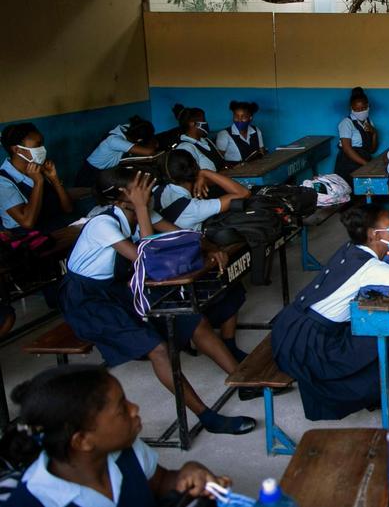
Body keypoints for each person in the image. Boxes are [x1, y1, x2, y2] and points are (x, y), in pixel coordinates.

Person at [59, 168, 255, 435]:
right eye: (141, 189)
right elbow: (147, 258)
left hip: (121, 289)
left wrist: (212, 247)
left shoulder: (140, 211)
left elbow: (180, 235)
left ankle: (245, 381)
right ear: (120, 197)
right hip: (89, 301)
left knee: (194, 319)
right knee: (158, 349)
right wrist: (141, 208)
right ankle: (207, 417)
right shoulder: (102, 224)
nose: (149, 192)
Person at [271, 204, 389, 421]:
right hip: (313, 348)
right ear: (374, 235)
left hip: (289, 329)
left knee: (386, 330)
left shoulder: (352, 249)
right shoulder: (372, 268)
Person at [0, 365, 229, 507]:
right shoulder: (37, 501)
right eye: (122, 408)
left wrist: (190, 472)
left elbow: (159, 482)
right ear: (82, 440)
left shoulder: (125, 450)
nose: (134, 408)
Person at [155, 149, 252, 362]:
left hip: (159, 262)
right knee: (230, 276)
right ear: (193, 171)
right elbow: (243, 194)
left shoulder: (158, 191)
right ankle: (227, 344)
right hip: (178, 268)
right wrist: (206, 173)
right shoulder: (192, 208)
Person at [0, 123, 74, 232]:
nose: (42, 149)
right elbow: (27, 223)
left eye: (42, 144)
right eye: (37, 146)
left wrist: (54, 179)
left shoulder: (39, 167)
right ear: (17, 150)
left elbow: (68, 209)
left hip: (53, 225)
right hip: (27, 237)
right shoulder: (3, 182)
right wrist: (38, 182)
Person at [75, 116, 156, 187]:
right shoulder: (115, 141)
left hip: (103, 170)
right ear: (139, 140)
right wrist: (153, 142)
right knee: (84, 193)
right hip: (92, 172)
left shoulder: (129, 129)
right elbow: (149, 152)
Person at [334, 86, 380, 184]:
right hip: (348, 162)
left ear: (368, 106)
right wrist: (366, 164)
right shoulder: (346, 123)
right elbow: (347, 149)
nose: (361, 112)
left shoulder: (368, 121)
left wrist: (374, 133)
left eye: (363, 108)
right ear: (352, 108)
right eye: (357, 109)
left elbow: (372, 150)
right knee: (352, 191)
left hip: (364, 158)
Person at [171, 104, 227, 173]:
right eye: (203, 120)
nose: (206, 123)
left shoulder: (206, 140)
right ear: (192, 124)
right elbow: (191, 177)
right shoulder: (185, 148)